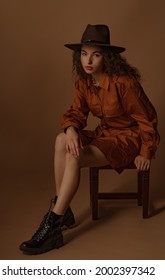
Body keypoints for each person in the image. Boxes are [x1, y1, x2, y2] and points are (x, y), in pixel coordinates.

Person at [19, 24, 160, 254]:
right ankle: (63, 209)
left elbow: (147, 118)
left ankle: (52, 225)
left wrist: (146, 151)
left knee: (75, 158)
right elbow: (75, 113)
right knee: (61, 140)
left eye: (96, 54)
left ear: (107, 57)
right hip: (104, 135)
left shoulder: (124, 83)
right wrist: (71, 129)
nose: (89, 60)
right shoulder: (84, 83)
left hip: (127, 139)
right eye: (84, 53)